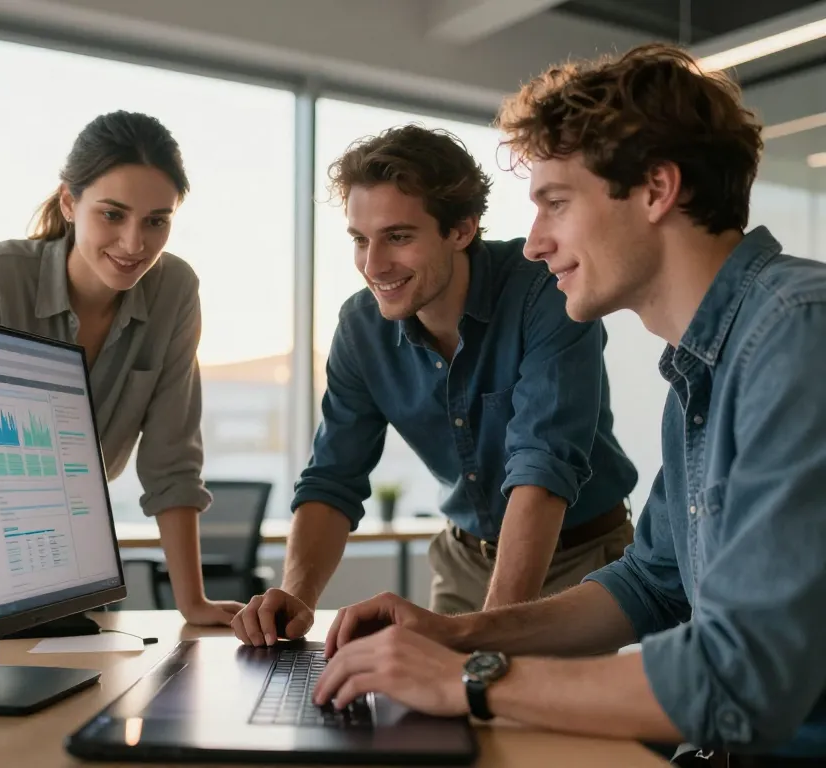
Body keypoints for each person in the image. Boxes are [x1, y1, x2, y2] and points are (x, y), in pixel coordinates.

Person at [311, 43, 826, 765]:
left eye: (556, 203)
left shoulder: (797, 335)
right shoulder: (703, 369)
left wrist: (469, 677)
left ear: (655, 190)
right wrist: (455, 634)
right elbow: (650, 585)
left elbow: (739, 680)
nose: (533, 244)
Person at [232, 124, 638, 645]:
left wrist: (486, 640)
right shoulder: (361, 328)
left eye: (398, 237)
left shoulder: (546, 292)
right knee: (435, 720)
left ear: (462, 230)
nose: (373, 266)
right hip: (463, 560)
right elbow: (333, 477)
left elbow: (543, 466)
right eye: (361, 240)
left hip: (581, 564)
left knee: (544, 722)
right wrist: (296, 597)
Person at [0, 111, 240, 626]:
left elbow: (172, 461)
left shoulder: (174, 291)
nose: (134, 244)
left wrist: (192, 604)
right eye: (112, 215)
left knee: (90, 700)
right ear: (68, 202)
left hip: (74, 557)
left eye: (156, 221)